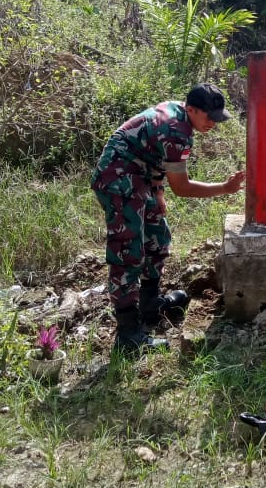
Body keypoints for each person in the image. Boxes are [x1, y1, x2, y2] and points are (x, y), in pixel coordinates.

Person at [91, 83, 245, 355]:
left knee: (158, 236)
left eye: (217, 118)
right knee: (128, 251)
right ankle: (127, 334)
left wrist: (157, 190)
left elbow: (152, 152)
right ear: (191, 110)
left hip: (140, 176)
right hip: (118, 178)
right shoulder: (177, 132)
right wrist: (224, 187)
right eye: (209, 117)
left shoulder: (179, 115)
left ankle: (150, 306)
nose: (213, 124)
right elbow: (183, 188)